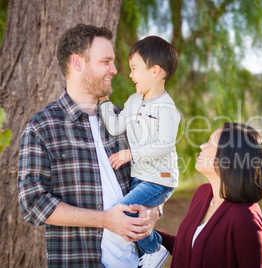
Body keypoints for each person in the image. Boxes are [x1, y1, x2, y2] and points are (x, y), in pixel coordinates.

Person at [17, 24, 161, 268]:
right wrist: (105, 219)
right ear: (77, 63)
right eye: (106, 61)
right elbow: (32, 203)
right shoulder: (42, 127)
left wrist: (154, 211)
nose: (115, 70)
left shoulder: (127, 120)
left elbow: (156, 175)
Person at [98, 35, 180, 267]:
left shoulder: (167, 108)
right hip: (140, 177)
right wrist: (103, 101)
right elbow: (114, 127)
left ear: (154, 71)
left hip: (160, 179)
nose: (131, 75)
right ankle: (150, 248)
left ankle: (155, 249)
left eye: (134, 69)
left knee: (120, 212)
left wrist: (131, 154)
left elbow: (164, 145)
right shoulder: (134, 101)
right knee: (134, 214)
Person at [157, 122, 262, 267]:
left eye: (210, 143)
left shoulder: (246, 218)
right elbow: (190, 248)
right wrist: (145, 233)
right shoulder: (203, 193)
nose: (202, 146)